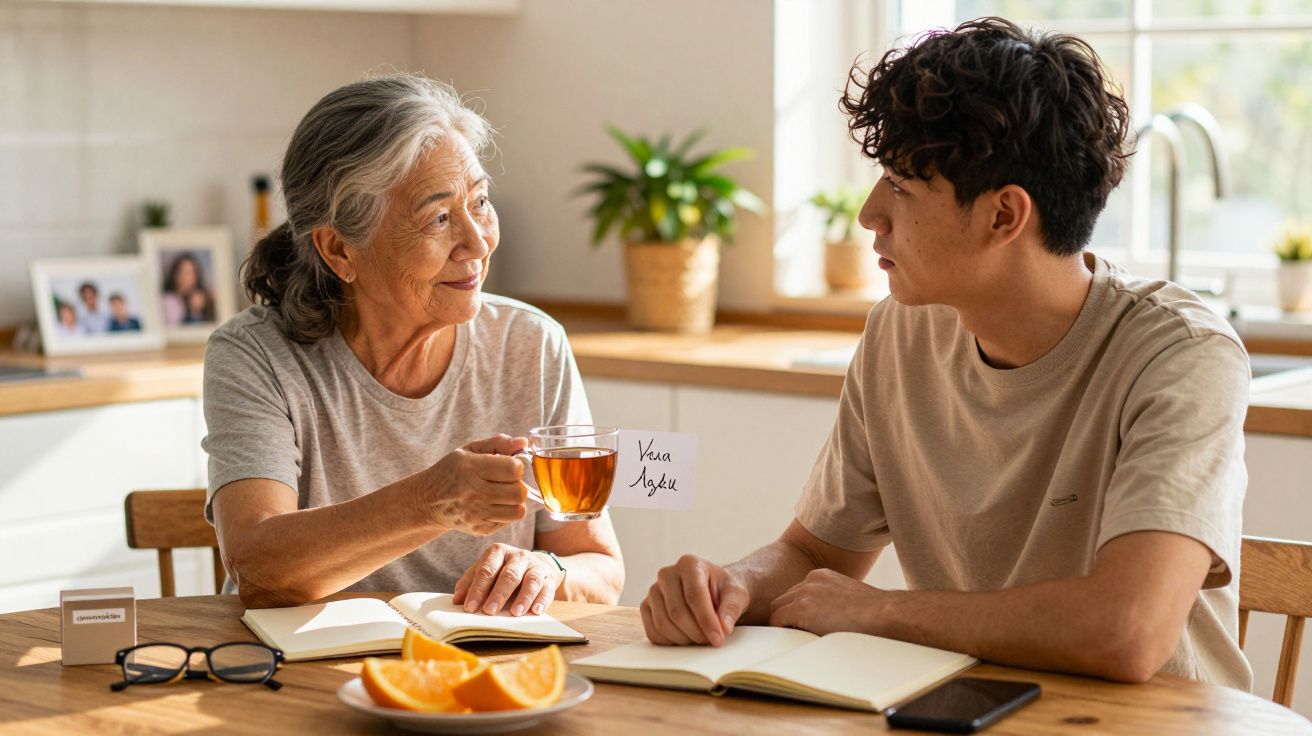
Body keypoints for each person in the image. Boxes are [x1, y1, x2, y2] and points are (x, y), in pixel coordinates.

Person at [641, 17, 1252, 690]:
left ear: (1002, 217)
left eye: (901, 186)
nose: (870, 213)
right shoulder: (900, 333)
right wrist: (731, 586)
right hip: (967, 711)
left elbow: (1127, 631)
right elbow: (814, 553)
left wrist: (882, 613)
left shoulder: (1181, 357)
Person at [204, 73, 624, 613]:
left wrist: (548, 569)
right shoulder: (257, 355)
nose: (477, 242)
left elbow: (601, 568)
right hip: (303, 674)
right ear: (339, 250)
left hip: (477, 672)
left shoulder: (531, 344)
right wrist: (431, 502)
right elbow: (258, 569)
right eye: (440, 218)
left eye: (481, 202)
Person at [161, 253, 215, 326]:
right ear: (174, 275)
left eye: (190, 273)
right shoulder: (168, 300)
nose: (186, 278)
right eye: (182, 272)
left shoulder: (203, 298)